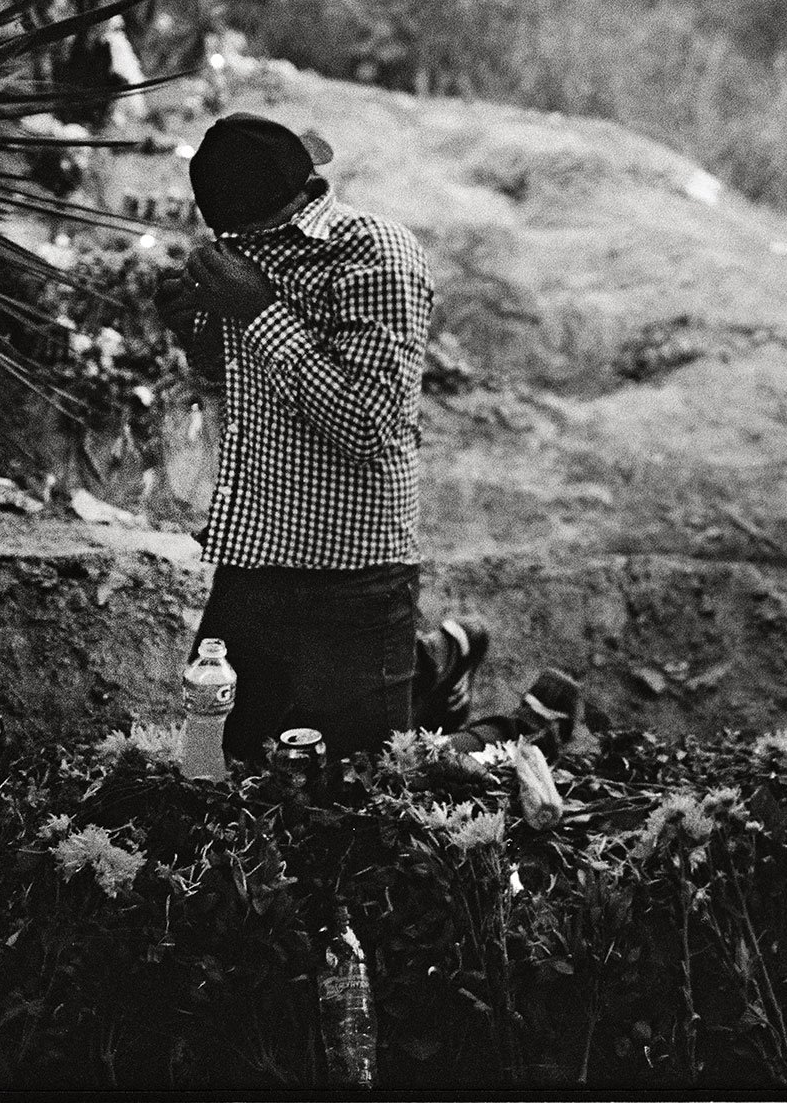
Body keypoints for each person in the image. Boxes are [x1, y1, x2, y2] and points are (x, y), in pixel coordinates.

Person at [157, 113, 577, 765]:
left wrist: (259, 310)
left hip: (352, 568)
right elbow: (237, 391)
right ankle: (436, 661)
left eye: (241, 234)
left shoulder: (376, 255)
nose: (229, 246)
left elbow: (369, 426)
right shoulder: (244, 255)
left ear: (298, 198)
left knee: (365, 783)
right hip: (255, 552)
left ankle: (523, 732)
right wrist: (202, 340)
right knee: (216, 759)